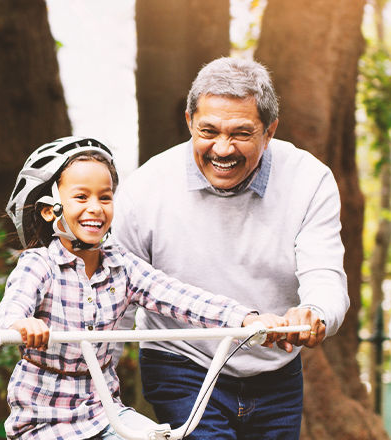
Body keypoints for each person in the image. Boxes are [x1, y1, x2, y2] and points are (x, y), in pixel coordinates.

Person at [112, 57, 350, 439]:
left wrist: (316, 312)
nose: (222, 149)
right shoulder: (146, 187)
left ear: (269, 131)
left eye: (241, 133)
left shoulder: (309, 180)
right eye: (208, 131)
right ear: (189, 121)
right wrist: (96, 388)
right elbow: (114, 292)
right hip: (182, 361)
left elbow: (325, 272)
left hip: (276, 371)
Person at [0, 136, 289, 440]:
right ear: (48, 210)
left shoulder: (122, 266)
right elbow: (11, 309)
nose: (95, 208)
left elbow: (179, 296)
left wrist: (246, 319)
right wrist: (21, 323)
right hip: (44, 417)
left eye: (105, 198)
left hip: (103, 411)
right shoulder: (39, 265)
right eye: (81, 198)